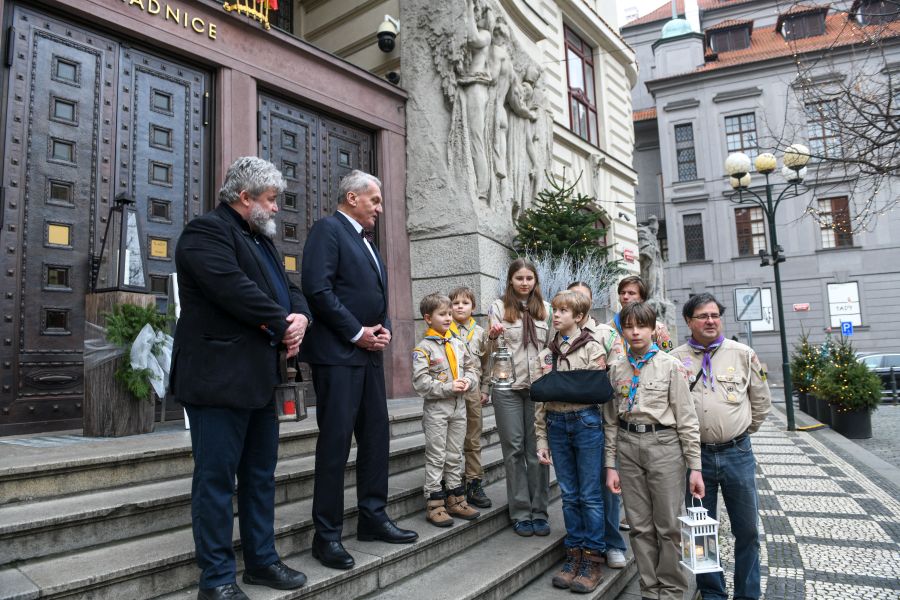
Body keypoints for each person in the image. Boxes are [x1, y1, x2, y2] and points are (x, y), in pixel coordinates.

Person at [171, 157, 311, 600]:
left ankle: (262, 561)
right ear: (244, 197)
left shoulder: (263, 240)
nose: (276, 210)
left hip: (260, 381)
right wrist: (282, 323)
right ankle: (215, 579)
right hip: (217, 380)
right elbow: (232, 288)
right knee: (215, 481)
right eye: (270, 200)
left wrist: (302, 317)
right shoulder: (206, 231)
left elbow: (291, 290)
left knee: (260, 475)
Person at [300, 170, 418, 571]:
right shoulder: (327, 231)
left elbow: (372, 293)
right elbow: (317, 289)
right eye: (375, 202)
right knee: (335, 446)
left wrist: (379, 329)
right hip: (337, 356)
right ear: (352, 198)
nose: (380, 209)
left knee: (376, 438)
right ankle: (327, 536)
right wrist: (355, 332)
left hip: (368, 356)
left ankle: (372, 517)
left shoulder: (366, 242)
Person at [671, 293, 771, 600]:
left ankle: (747, 594)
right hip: (695, 458)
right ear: (689, 321)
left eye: (715, 315)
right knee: (701, 530)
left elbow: (761, 402)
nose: (710, 321)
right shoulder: (675, 359)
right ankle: (712, 592)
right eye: (702, 316)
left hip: (736, 453)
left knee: (748, 531)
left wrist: (738, 431)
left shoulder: (743, 354)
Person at [603, 302, 704, 600]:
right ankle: (649, 589)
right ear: (622, 331)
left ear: (652, 328)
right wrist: (610, 464)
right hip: (628, 446)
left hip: (664, 447)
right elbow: (610, 421)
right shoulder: (616, 369)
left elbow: (687, 420)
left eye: (641, 326)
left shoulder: (671, 366)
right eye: (629, 326)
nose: (635, 332)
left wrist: (694, 466)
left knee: (668, 526)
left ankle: (672, 590)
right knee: (639, 526)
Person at [534, 291, 608, 593]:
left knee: (590, 494)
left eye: (563, 310)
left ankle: (593, 559)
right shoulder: (546, 353)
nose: (557, 315)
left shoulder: (592, 347)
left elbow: (595, 389)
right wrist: (541, 437)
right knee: (569, 494)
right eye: (555, 310)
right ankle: (573, 555)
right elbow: (540, 399)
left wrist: (563, 387)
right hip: (555, 423)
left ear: (578, 317)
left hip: (586, 422)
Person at [485, 258, 551, 537]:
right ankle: (521, 511)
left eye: (529, 278)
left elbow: (554, 347)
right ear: (510, 280)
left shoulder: (546, 310)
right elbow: (487, 350)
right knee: (513, 450)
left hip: (538, 388)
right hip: (507, 388)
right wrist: (491, 337)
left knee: (537, 452)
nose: (524, 283)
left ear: (535, 281)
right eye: (519, 278)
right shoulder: (498, 308)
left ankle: (540, 511)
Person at [565, 282, 628, 570]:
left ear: (590, 303)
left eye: (583, 297)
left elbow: (618, 370)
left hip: (602, 417)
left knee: (606, 482)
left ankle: (613, 542)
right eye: (573, 297)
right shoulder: (561, 334)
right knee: (578, 487)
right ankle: (583, 543)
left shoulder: (605, 333)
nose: (578, 301)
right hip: (572, 419)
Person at [412, 293, 481, 527]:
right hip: (437, 410)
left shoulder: (458, 343)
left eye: (450, 314)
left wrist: (468, 382)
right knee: (436, 456)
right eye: (443, 314)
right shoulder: (423, 349)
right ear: (428, 318)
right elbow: (420, 383)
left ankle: (456, 498)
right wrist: (448, 386)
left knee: (454, 454)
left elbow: (472, 369)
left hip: (459, 407)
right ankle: (435, 503)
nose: (449, 318)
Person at [448, 286, 492, 508]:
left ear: (473, 307)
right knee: (452, 439)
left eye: (464, 303)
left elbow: (487, 364)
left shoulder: (482, 333)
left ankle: (473, 481)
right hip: (450, 393)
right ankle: (452, 483)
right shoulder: (445, 331)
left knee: (473, 438)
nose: (459, 307)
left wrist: (485, 389)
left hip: (473, 393)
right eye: (455, 303)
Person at [609, 276, 673, 358]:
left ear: (642, 298)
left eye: (631, 293)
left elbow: (670, 356)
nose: (625, 297)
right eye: (622, 293)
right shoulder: (609, 328)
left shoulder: (657, 328)